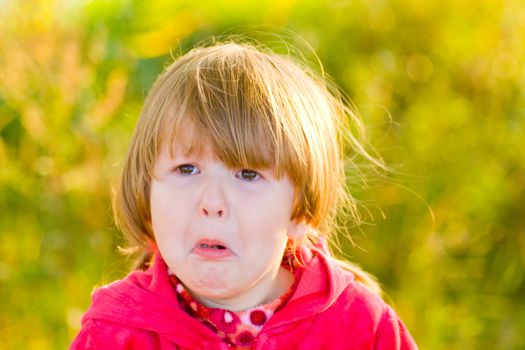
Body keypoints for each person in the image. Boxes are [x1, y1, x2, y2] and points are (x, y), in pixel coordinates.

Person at [70, 40, 418, 349]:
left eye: (248, 174)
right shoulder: (114, 335)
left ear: (300, 212)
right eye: (187, 169)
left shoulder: (360, 328)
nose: (212, 203)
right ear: (146, 193)